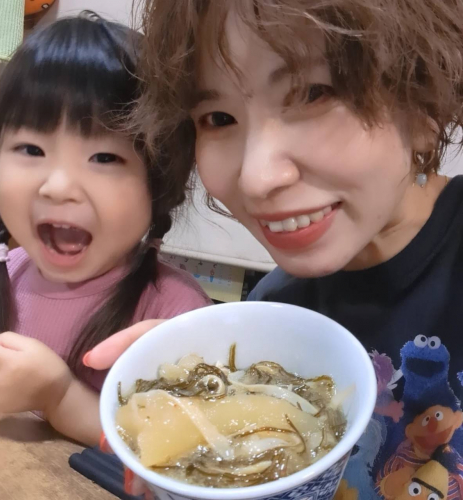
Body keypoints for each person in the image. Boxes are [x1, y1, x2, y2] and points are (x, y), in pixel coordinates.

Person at [85, 1, 463, 497]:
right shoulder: (274, 309)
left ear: (424, 104)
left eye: (314, 93)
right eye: (218, 118)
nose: (257, 177)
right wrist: (203, 416)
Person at [0, 13, 211, 447]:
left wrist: (59, 397)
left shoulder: (174, 310)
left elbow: (182, 449)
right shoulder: (7, 270)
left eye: (104, 158)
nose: (57, 187)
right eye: (30, 149)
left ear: (159, 185)